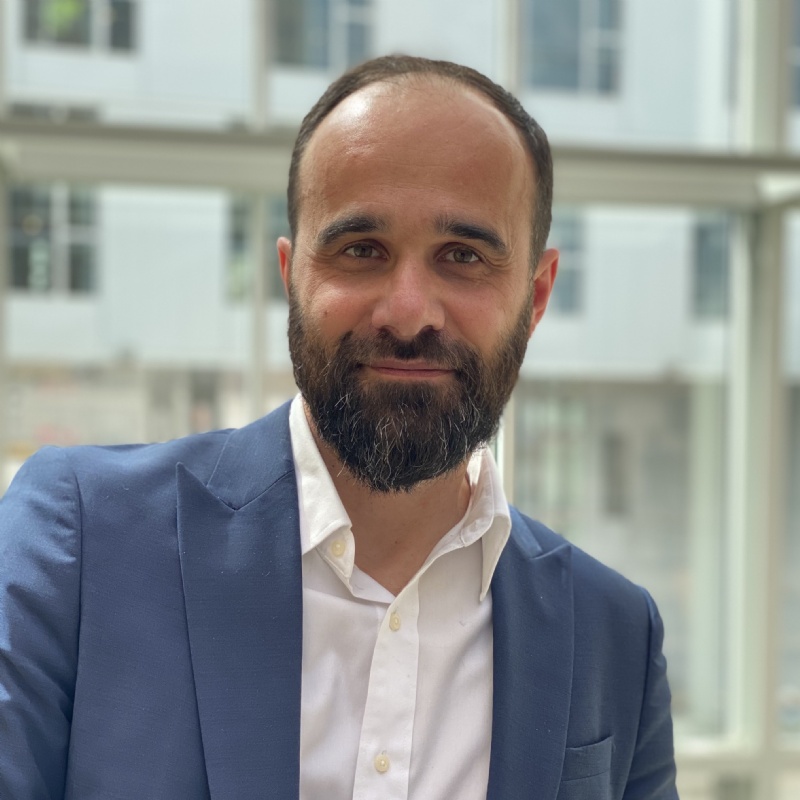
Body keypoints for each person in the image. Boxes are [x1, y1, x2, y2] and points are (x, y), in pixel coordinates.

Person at [0, 55, 678, 799]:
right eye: (361, 250)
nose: (409, 312)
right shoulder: (80, 541)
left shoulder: (616, 635)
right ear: (291, 275)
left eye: (463, 256)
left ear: (537, 294)